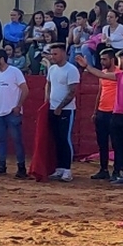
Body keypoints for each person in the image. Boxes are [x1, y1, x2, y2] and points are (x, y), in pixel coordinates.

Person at [77, 49, 123, 187]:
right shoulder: (120, 74)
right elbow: (101, 74)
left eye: (119, 59)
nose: (118, 62)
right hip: (117, 114)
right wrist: (87, 66)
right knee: (120, 146)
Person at [0, 48, 28, 178]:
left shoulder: (15, 71)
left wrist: (18, 106)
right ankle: (1, 165)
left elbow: (25, 90)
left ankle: (21, 167)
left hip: (11, 112)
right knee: (1, 140)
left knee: (17, 140)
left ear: (2, 59)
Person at [44, 43, 79, 183]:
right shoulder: (52, 69)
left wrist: (60, 107)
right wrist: (47, 100)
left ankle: (67, 170)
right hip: (53, 107)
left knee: (65, 139)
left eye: (55, 54)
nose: (53, 57)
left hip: (66, 110)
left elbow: (72, 92)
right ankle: (59, 168)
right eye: (52, 54)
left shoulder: (71, 70)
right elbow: (48, 84)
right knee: (57, 138)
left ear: (64, 53)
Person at [86, 49, 119, 181]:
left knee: (116, 143)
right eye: (101, 59)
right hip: (102, 111)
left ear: (112, 60)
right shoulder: (102, 74)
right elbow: (100, 93)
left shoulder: (119, 73)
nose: (102, 62)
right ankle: (104, 169)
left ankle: (117, 170)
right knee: (102, 143)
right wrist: (95, 111)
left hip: (114, 112)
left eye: (105, 59)